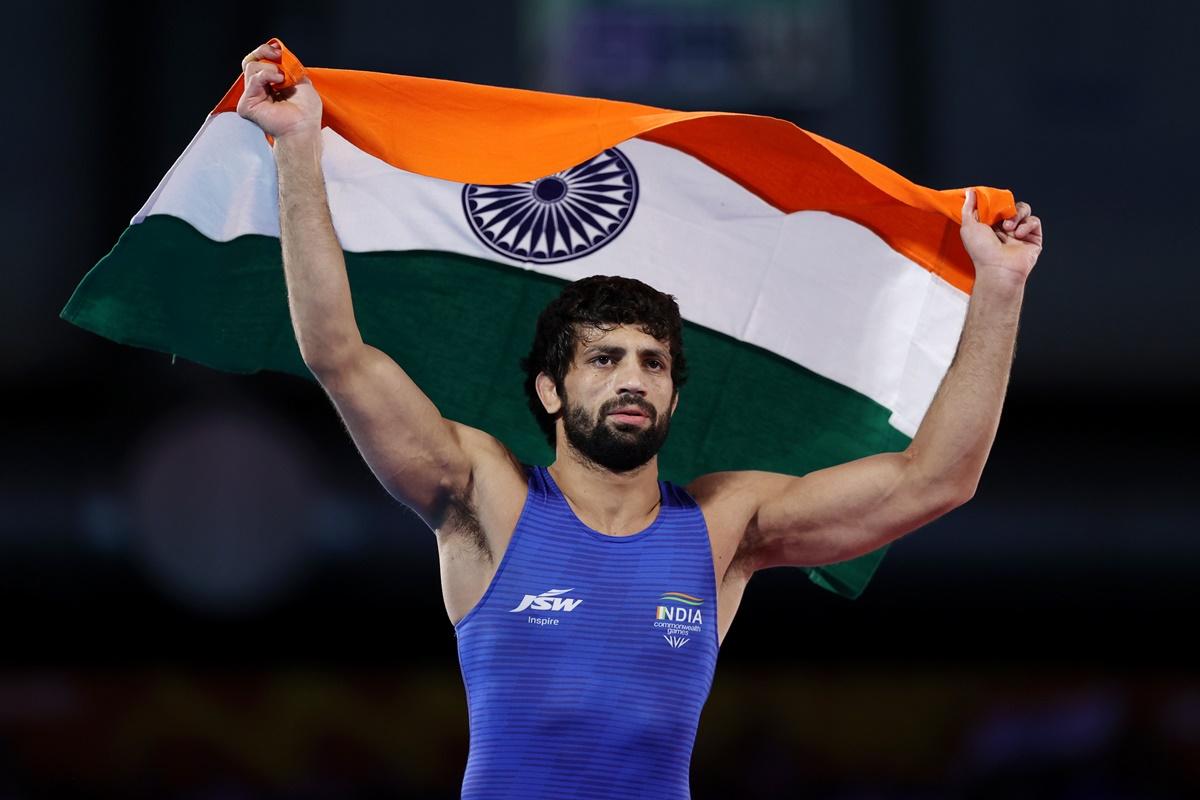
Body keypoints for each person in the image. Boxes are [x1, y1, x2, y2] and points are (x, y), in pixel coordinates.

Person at [237, 41, 1044, 800]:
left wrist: (1000, 291)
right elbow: (339, 353)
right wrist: (299, 148)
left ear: (673, 397)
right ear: (551, 391)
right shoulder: (485, 498)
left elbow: (937, 479)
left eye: (653, 363)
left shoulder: (728, 526)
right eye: (605, 359)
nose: (633, 380)